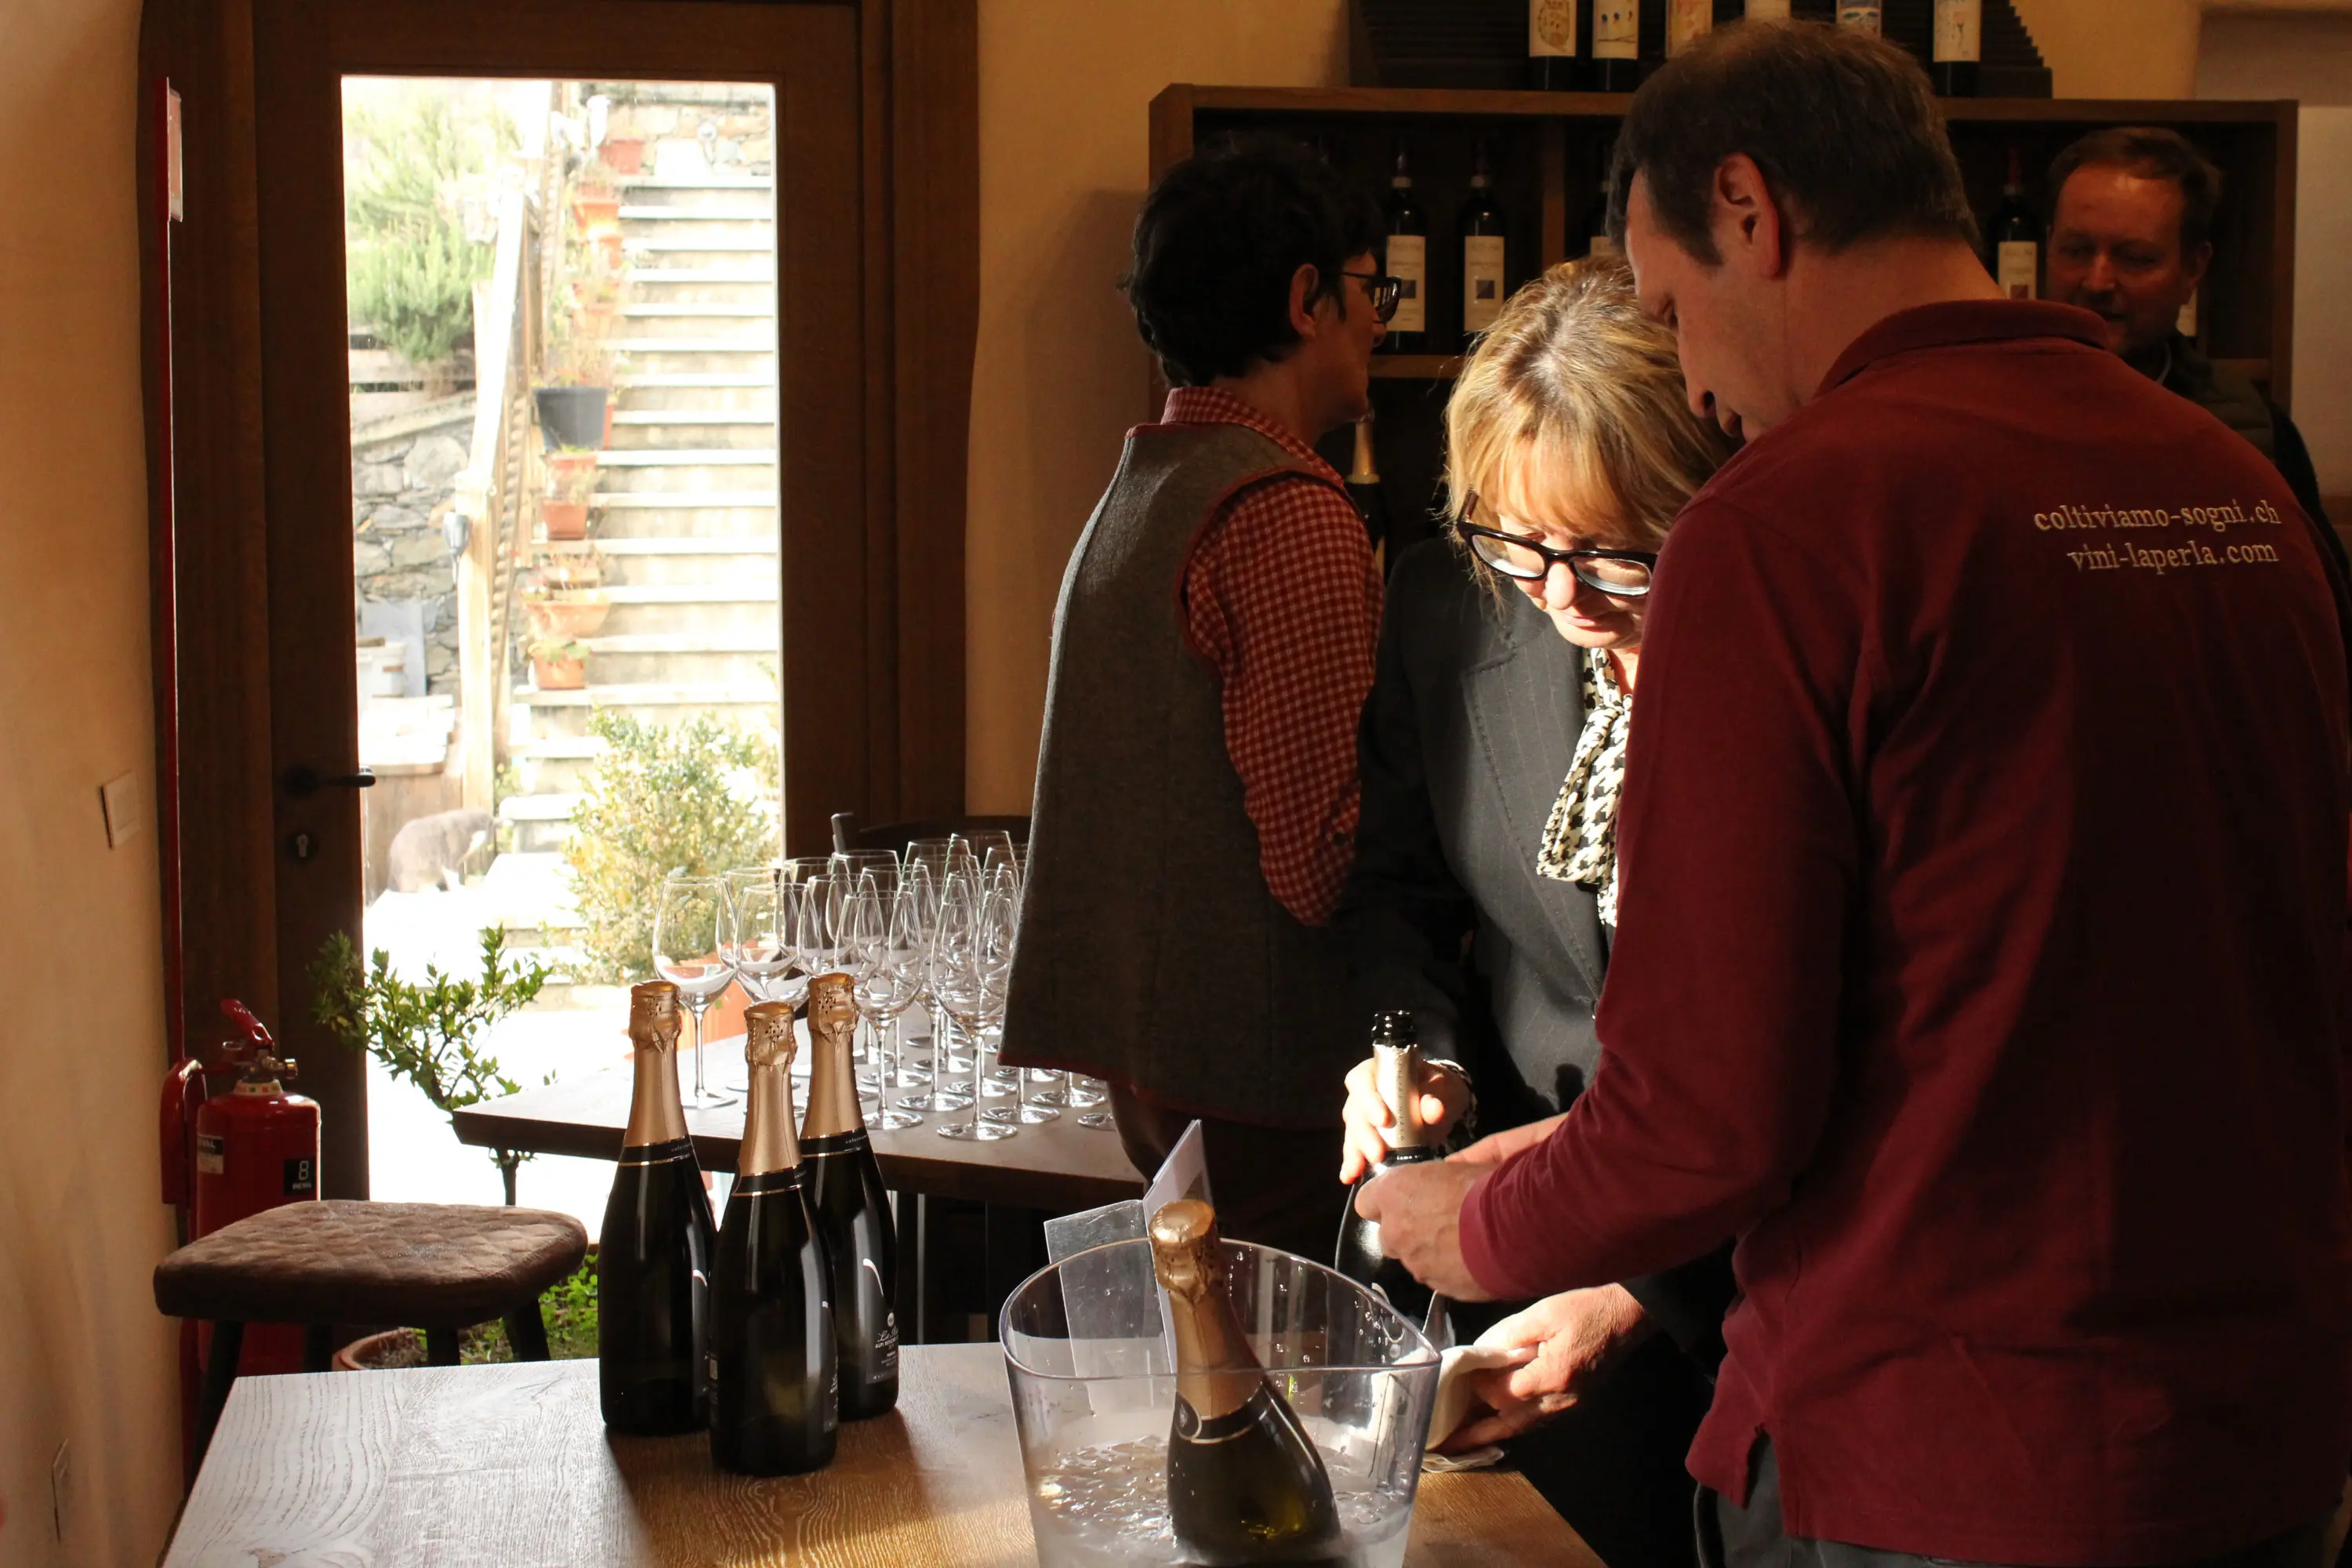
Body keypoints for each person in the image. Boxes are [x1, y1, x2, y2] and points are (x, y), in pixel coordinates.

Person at [1356, 21, 2352, 1568]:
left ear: (1750, 212)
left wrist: (1463, 1224)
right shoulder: (2237, 490)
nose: (1693, 371)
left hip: (1941, 1453)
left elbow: (1710, 1112)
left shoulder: (1793, 522)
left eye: (1677, 307)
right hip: (2259, 1435)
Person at [1334, 256, 1737, 1568]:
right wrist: (1416, 1055)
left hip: (1748, 1272)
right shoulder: (1448, 608)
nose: (1562, 597)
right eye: (1518, 543)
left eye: (1613, 548)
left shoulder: (1783, 639)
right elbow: (1399, 887)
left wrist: (1637, 1291)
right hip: (1530, 1218)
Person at [1000, 140, 1392, 1261]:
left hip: (1162, 1067)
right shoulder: (1288, 513)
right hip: (1269, 1078)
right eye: (1368, 290)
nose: (1381, 322)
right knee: (1283, 1405)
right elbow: (1318, 863)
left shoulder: (1144, 486)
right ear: (1305, 299)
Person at [2045, 126, 2336, 536]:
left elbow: (2314, 593)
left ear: (2193, 269)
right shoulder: (1990, 407)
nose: (2097, 281)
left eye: (2135, 259)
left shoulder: (2248, 427)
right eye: (2076, 251)